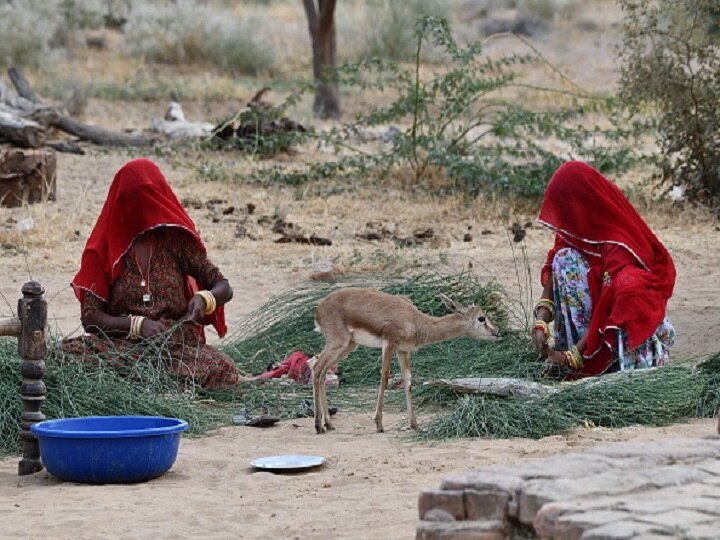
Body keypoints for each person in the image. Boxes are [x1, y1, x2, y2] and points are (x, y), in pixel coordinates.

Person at [61, 158, 241, 389]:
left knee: (223, 368)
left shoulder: (174, 240)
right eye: (131, 201)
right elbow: (91, 319)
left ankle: (144, 388)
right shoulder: (103, 248)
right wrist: (136, 325)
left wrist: (204, 299)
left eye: (146, 198)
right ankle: (158, 388)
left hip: (175, 347)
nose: (140, 208)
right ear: (119, 202)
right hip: (121, 348)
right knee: (65, 356)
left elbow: (223, 287)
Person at [532, 161, 676, 378]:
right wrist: (541, 322)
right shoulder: (577, 230)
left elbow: (610, 312)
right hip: (592, 326)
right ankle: (580, 353)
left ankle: (597, 363)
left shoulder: (619, 243)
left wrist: (571, 357)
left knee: (627, 292)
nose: (564, 217)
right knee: (563, 259)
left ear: (581, 203)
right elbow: (554, 274)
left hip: (619, 327)